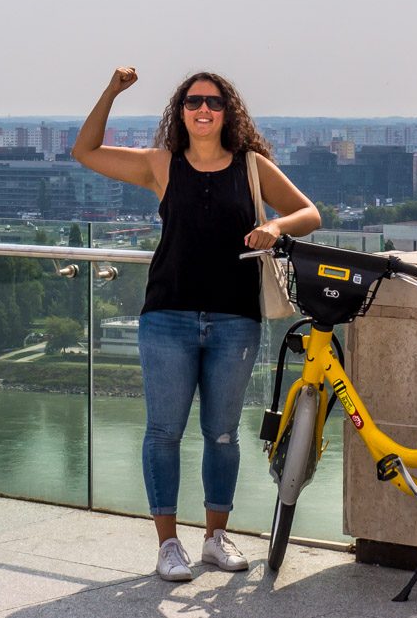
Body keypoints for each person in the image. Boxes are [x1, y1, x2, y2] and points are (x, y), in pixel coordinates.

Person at [73, 68, 321, 581]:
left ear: (227, 112)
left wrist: (273, 225)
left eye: (212, 101)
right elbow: (86, 151)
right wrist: (112, 92)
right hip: (167, 317)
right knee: (163, 433)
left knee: (223, 435)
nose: (202, 109)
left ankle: (214, 538)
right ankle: (168, 546)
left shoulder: (252, 166)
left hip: (236, 320)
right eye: (192, 102)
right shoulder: (161, 164)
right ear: (179, 112)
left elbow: (309, 213)